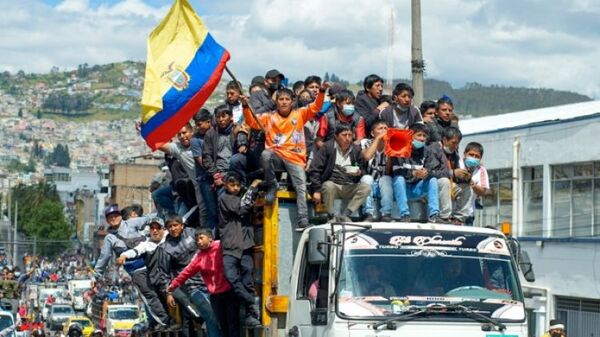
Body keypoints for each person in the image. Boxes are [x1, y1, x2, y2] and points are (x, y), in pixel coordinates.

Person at [242, 83, 330, 228]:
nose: (283, 102)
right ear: (276, 101)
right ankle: (272, 185)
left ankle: (303, 220)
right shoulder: (268, 117)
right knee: (265, 155)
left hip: (295, 158)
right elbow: (251, 121)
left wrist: (321, 91)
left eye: (286, 99)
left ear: (292, 101)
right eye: (281, 99)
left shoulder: (300, 113)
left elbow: (316, 106)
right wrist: (245, 106)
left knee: (301, 186)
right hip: (276, 155)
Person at [94, 206, 171, 331]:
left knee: (164, 289)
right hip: (136, 269)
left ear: (120, 216)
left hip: (152, 263)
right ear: (107, 220)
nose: (113, 218)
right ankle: (164, 320)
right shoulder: (110, 238)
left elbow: (148, 218)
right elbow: (104, 257)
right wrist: (96, 275)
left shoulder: (132, 223)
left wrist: (165, 212)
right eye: (110, 217)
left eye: (115, 215)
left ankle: (171, 316)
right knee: (148, 294)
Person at [153, 214, 220, 337]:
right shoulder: (165, 248)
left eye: (175, 225)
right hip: (189, 287)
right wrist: (169, 293)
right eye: (170, 226)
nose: (173, 229)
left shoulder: (194, 234)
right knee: (209, 314)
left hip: (209, 281)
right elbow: (164, 272)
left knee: (215, 316)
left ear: (182, 226)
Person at [168, 229, 241, 337]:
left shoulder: (221, 246)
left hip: (230, 291)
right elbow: (186, 272)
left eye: (201, 238)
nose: (199, 242)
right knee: (222, 324)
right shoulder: (199, 257)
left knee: (233, 323)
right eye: (197, 240)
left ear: (210, 238)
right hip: (216, 296)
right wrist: (173, 285)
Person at [217, 175, 261, 327]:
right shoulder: (225, 198)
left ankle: (251, 313)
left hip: (246, 245)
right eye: (232, 184)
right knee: (231, 277)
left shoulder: (242, 196)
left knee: (247, 279)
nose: (235, 188)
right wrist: (253, 186)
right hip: (230, 246)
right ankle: (251, 301)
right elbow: (242, 207)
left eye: (237, 185)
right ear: (226, 185)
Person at [308, 124, 370, 222]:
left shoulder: (356, 149)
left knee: (366, 188)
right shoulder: (327, 147)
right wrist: (316, 190)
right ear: (336, 136)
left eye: (350, 135)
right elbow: (314, 169)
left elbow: (363, 169)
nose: (348, 138)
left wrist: (359, 172)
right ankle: (331, 215)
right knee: (328, 185)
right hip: (332, 187)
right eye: (344, 135)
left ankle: (346, 214)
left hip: (348, 186)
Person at [389, 123, 443, 223]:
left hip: (416, 189)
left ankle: (434, 215)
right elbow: (395, 171)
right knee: (399, 178)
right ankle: (404, 214)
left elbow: (434, 170)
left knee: (433, 180)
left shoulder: (427, 151)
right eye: (419, 135)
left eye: (424, 136)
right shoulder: (400, 148)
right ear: (410, 136)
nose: (422, 139)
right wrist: (413, 173)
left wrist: (427, 172)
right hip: (400, 189)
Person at [157, 124, 205, 225]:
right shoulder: (178, 149)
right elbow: (158, 144)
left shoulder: (202, 143)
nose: (182, 136)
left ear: (191, 132)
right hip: (195, 187)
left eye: (184, 133)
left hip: (207, 183)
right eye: (179, 134)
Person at [203, 105, 248, 188]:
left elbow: (242, 135)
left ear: (231, 117)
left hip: (236, 171)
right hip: (220, 173)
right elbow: (207, 157)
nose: (221, 120)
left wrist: (242, 144)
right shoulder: (210, 134)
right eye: (218, 117)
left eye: (223, 116)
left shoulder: (237, 128)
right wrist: (216, 174)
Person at [436, 126, 472, 224]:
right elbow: (431, 172)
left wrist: (465, 178)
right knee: (445, 181)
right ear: (444, 140)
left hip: (449, 185)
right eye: (453, 143)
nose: (456, 146)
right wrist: (452, 172)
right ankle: (445, 217)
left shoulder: (454, 154)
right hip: (434, 185)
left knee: (466, 187)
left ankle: (459, 218)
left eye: (457, 144)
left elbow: (454, 175)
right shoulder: (434, 150)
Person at [360, 119, 393, 222]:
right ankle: (368, 213)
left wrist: (390, 150)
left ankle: (386, 213)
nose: (383, 131)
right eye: (380, 128)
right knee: (367, 178)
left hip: (383, 187)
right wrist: (378, 139)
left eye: (385, 128)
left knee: (386, 178)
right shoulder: (365, 142)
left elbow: (388, 171)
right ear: (372, 133)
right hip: (368, 184)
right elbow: (367, 156)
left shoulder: (391, 144)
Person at [191, 109, 218, 229]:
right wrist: (216, 174)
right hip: (206, 179)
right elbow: (202, 162)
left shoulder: (217, 134)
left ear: (208, 121)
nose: (197, 127)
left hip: (220, 177)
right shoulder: (195, 140)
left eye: (199, 124)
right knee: (212, 212)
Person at [458, 142, 489, 226]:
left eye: (477, 156)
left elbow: (483, 191)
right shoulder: (457, 164)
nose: (473, 158)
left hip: (468, 216)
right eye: (471, 155)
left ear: (480, 158)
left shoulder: (481, 170)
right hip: (452, 214)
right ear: (464, 154)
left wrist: (473, 184)